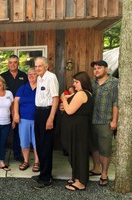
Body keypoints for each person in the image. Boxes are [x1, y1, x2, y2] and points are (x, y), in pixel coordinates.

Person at [60, 71, 93, 191]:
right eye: (74, 82)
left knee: (79, 154)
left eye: (76, 82)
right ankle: (77, 178)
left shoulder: (81, 94)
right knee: (76, 153)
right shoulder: (83, 93)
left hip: (78, 128)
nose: (74, 84)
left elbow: (69, 111)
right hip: (79, 127)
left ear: (83, 82)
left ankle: (80, 182)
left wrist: (63, 98)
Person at [89, 60, 118, 186]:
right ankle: (96, 168)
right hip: (91, 121)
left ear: (106, 69)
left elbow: (116, 103)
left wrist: (114, 121)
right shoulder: (91, 83)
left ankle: (104, 173)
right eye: (94, 68)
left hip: (105, 121)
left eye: (99, 68)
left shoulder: (114, 83)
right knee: (94, 147)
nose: (96, 70)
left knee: (105, 149)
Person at [31, 57, 59, 189]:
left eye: (40, 66)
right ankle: (43, 173)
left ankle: (46, 178)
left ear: (46, 66)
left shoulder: (51, 77)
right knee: (40, 144)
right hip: (39, 112)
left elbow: (55, 98)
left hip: (47, 113)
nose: (37, 68)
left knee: (46, 146)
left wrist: (51, 118)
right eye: (36, 66)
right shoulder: (39, 78)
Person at [1, 54, 28, 162]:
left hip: (20, 108)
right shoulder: (3, 76)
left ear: (18, 63)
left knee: (18, 132)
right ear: (8, 64)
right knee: (4, 132)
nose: (13, 64)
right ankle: (1, 155)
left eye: (15, 62)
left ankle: (17, 154)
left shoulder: (24, 75)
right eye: (10, 62)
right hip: (5, 108)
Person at [13, 68, 39, 172]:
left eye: (34, 74)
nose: (31, 76)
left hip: (38, 119)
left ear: (37, 75)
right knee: (24, 141)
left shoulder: (42, 87)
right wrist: (16, 114)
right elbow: (16, 101)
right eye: (29, 74)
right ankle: (26, 160)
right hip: (23, 119)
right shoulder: (23, 87)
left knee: (37, 142)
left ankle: (37, 162)